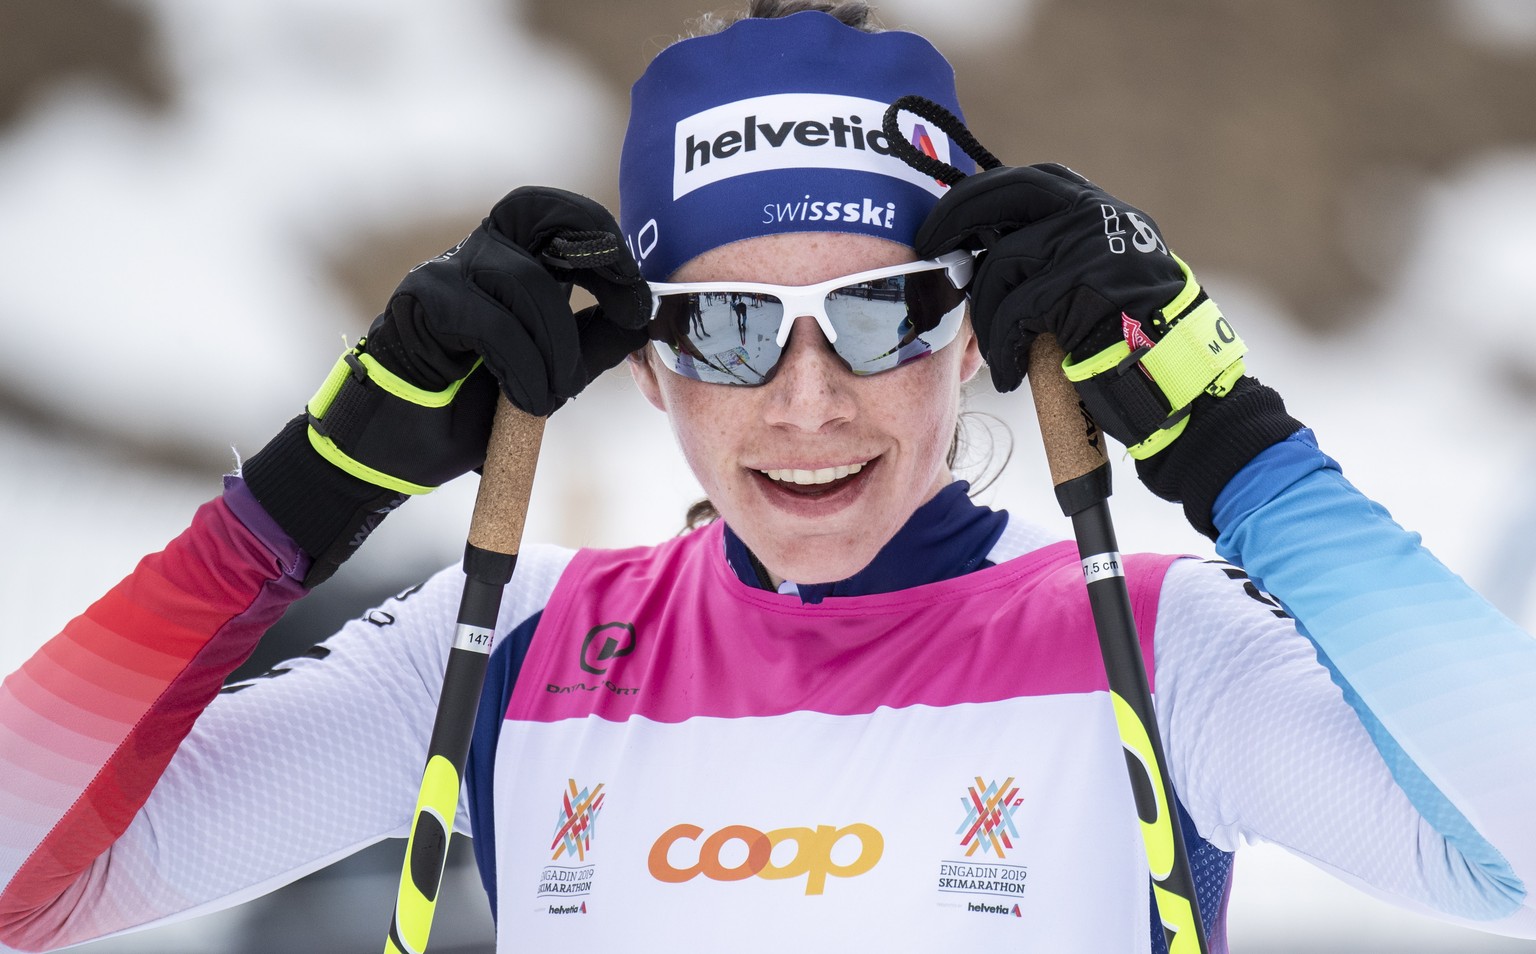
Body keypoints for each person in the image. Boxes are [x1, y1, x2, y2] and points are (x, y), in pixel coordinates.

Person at [1, 2, 1534, 952]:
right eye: (728, 327)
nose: (808, 399)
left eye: (881, 314)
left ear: (971, 339)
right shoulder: (510, 659)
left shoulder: (1150, 652)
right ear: (650, 363)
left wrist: (1240, 454)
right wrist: (295, 506)